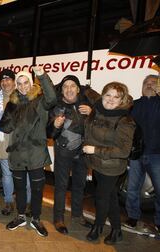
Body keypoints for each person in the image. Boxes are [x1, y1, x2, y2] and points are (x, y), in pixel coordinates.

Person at [0, 67, 57, 237]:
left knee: (38, 189)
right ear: (16, 85)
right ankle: (21, 216)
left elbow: (52, 98)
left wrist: (42, 76)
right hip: (17, 152)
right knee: (20, 188)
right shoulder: (13, 103)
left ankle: (37, 219)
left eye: (26, 83)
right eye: (19, 83)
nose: (23, 86)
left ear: (31, 84)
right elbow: (5, 126)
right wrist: (9, 121)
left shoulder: (40, 100)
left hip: (36, 152)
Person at [83, 82, 135, 245]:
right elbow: (91, 94)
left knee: (101, 198)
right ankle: (117, 230)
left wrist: (95, 150)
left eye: (116, 97)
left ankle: (97, 228)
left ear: (122, 100)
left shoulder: (124, 120)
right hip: (97, 164)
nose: (111, 100)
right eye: (108, 95)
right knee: (110, 197)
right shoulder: (98, 109)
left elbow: (123, 151)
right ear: (102, 95)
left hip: (111, 166)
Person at [124, 75, 160, 236]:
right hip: (137, 154)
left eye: (153, 83)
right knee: (132, 189)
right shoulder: (135, 105)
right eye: (146, 83)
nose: (149, 85)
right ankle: (132, 217)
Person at [48, 75, 98, 234]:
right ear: (62, 90)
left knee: (79, 185)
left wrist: (92, 113)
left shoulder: (87, 105)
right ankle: (58, 218)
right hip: (63, 151)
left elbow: (98, 128)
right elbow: (49, 133)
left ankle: (77, 215)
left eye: (72, 86)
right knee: (61, 185)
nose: (69, 89)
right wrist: (54, 125)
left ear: (78, 88)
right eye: (65, 86)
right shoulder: (56, 106)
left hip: (82, 152)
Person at [0, 69, 31, 216]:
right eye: (2, 80)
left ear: (13, 81)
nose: (5, 82)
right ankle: (9, 201)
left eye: (8, 79)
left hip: (21, 145)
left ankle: (28, 203)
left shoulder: (22, 96)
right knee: (7, 175)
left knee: (26, 176)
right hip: (3, 143)